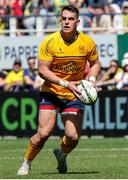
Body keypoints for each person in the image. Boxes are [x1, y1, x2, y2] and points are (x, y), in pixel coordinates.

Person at [17, 4, 100, 175]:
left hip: (75, 93)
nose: (67, 22)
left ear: (78, 21)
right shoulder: (49, 42)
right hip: (52, 91)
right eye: (64, 18)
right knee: (44, 133)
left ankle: (61, 156)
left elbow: (95, 63)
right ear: (60, 20)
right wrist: (65, 83)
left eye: (71, 19)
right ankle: (27, 162)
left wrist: (91, 80)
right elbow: (43, 70)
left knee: (73, 137)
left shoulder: (87, 42)